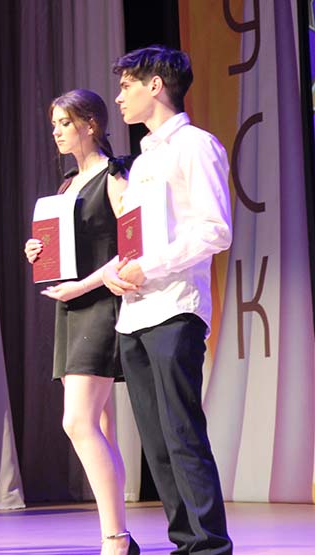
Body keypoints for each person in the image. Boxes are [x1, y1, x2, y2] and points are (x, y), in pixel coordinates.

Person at [102, 46, 233, 555]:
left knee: (182, 433)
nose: (119, 97)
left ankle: (209, 547)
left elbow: (215, 229)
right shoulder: (142, 161)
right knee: (156, 442)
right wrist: (120, 270)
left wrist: (150, 267)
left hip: (175, 308)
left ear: (155, 85)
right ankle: (185, 543)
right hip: (135, 313)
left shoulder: (195, 145)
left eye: (126, 86)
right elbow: (139, 240)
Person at [23, 90, 135, 555]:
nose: (56, 132)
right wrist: (37, 252)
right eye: (54, 124)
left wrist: (81, 287)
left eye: (64, 123)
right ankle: (118, 534)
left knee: (77, 422)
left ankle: (116, 539)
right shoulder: (68, 184)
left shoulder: (116, 176)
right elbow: (64, 248)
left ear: (91, 124)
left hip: (101, 304)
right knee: (100, 428)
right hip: (70, 307)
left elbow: (131, 250)